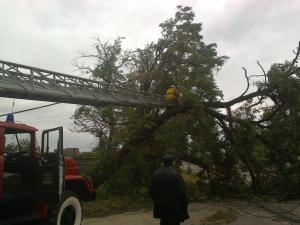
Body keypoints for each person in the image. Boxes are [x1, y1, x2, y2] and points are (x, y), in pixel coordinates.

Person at [149, 154, 189, 225]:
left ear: (163, 162)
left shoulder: (156, 174)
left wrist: (157, 200)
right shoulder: (175, 174)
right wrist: (184, 203)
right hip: (174, 206)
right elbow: (181, 191)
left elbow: (151, 191)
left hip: (161, 206)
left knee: (164, 222)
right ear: (172, 162)